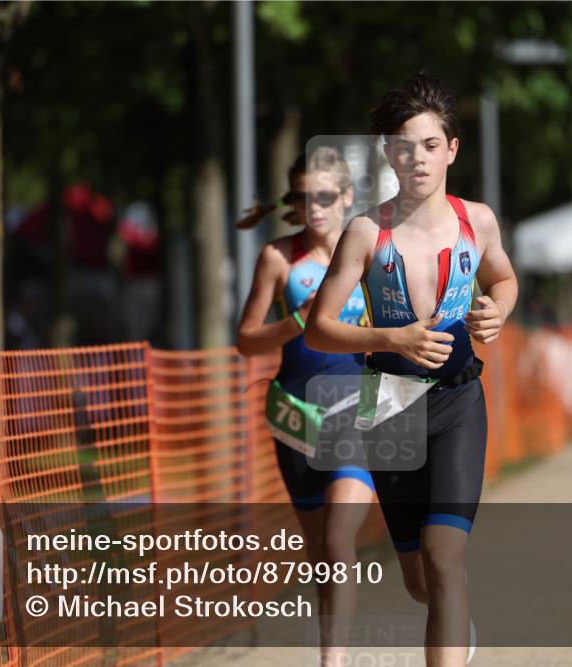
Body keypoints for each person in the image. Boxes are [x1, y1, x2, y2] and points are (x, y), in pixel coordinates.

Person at [305, 70, 518, 666]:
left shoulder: (478, 221)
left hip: (456, 399)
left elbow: (503, 278)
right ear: (388, 153)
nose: (418, 159)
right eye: (405, 146)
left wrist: (497, 312)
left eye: (430, 145)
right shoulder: (366, 233)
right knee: (419, 578)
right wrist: (389, 337)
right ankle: (454, 614)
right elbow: (319, 326)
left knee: (445, 554)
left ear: (452, 149)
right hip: (390, 406)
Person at [236, 149, 375, 667]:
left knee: (340, 537)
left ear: (345, 198)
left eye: (324, 197)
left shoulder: (371, 255)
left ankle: (332, 663)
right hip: (296, 418)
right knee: (322, 557)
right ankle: (332, 649)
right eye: (302, 197)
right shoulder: (279, 258)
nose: (314, 208)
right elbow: (246, 341)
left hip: (358, 411)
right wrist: (295, 323)